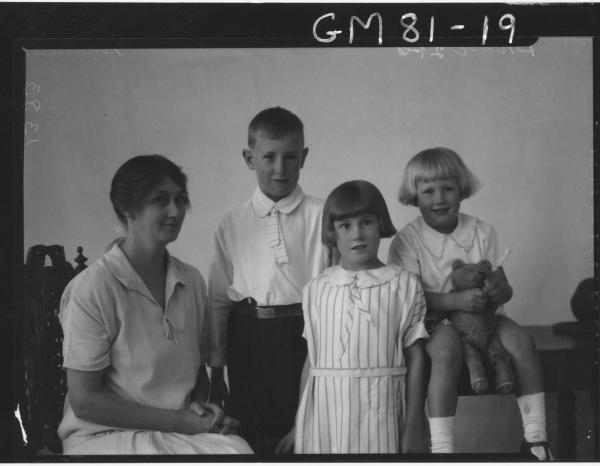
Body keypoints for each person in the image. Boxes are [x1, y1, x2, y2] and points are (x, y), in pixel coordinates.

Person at [57, 155, 252, 455]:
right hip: (103, 436)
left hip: (171, 432)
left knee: (238, 452)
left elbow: (196, 371)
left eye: (181, 199)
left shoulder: (191, 281)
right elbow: (85, 402)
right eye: (161, 199)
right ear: (128, 208)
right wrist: (181, 422)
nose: (175, 211)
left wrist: (201, 413)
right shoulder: (92, 289)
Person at [387, 147, 552, 460]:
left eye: (448, 189)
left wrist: (498, 291)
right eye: (429, 191)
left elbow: (505, 285)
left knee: (521, 342)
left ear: (461, 191)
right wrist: (454, 300)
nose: (440, 198)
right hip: (436, 321)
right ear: (414, 196)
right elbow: (408, 297)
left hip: (485, 319)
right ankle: (443, 449)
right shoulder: (407, 240)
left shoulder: (481, 231)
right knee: (446, 353)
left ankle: (536, 437)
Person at [208, 107, 329, 455]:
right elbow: (218, 297)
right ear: (249, 158)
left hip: (305, 336)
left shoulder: (323, 215)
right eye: (269, 157)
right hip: (249, 337)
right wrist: (216, 369)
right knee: (251, 434)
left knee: (304, 433)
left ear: (303, 157)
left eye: (291, 156)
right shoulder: (232, 221)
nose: (280, 168)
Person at [287, 180, 428, 454]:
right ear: (333, 232)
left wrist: (413, 426)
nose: (357, 235)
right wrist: (298, 423)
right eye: (345, 226)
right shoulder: (318, 288)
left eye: (366, 222)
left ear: (381, 224)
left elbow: (417, 357)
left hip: (382, 412)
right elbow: (311, 361)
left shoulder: (404, 285)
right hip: (326, 415)